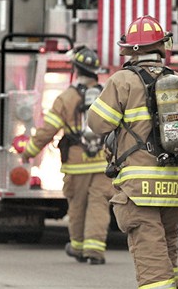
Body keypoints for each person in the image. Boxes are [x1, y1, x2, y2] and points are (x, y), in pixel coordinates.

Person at [87, 15, 178, 289]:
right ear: (161, 48)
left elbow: (97, 123)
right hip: (176, 186)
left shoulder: (122, 81)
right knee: (166, 247)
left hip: (139, 186)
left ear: (131, 51)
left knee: (149, 249)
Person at [22, 46, 114, 265]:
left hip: (76, 164)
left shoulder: (66, 98)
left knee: (77, 205)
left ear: (76, 69)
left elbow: (48, 131)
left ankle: (78, 247)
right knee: (99, 204)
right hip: (103, 161)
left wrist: (29, 152)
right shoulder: (107, 96)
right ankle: (95, 250)